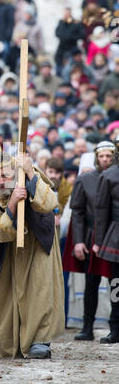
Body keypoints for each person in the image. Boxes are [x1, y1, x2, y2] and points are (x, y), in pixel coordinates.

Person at [0, 151, 64, 359]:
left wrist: (31, 173)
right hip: (4, 239)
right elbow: (0, 231)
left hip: (36, 238)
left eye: (6, 175)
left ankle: (38, 341)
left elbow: (50, 203)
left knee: (38, 289)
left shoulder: (28, 171)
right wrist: (12, 203)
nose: (2, 181)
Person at [62, 141, 116, 340]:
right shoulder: (84, 180)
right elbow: (78, 212)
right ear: (96, 157)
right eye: (101, 156)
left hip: (112, 236)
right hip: (89, 236)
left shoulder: (116, 177)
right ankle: (87, 326)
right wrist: (78, 241)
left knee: (115, 282)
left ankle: (115, 326)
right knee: (91, 283)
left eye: (109, 156)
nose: (105, 160)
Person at [93, 135, 119, 344]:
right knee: (116, 283)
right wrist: (99, 240)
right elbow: (102, 211)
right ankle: (116, 327)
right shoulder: (109, 176)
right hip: (116, 235)